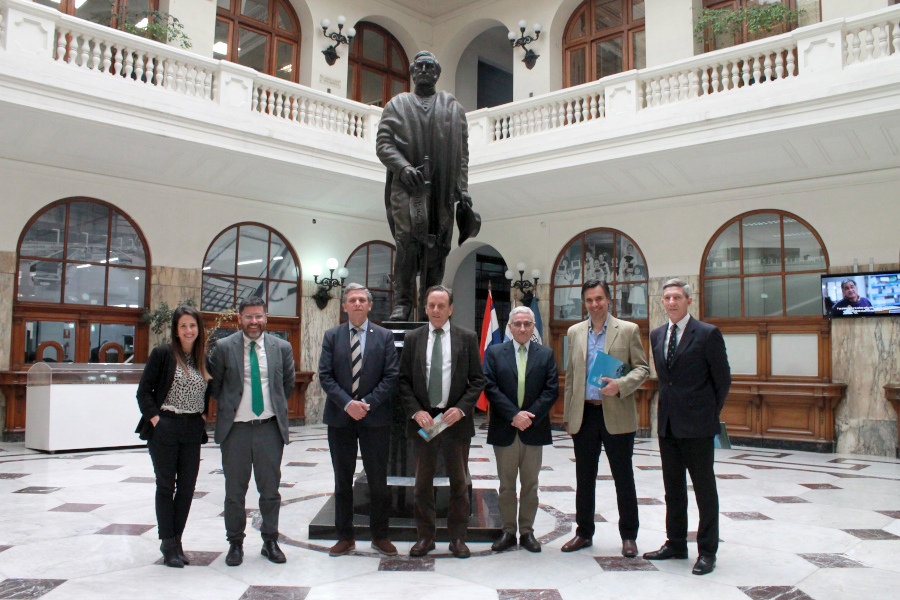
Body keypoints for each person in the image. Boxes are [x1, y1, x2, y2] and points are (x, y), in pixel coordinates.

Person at [376, 52, 474, 321]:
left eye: (429, 66)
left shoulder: (452, 107)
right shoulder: (397, 105)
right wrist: (404, 168)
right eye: (418, 66)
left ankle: (430, 305)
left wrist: (462, 189)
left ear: (437, 73)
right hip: (408, 188)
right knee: (406, 241)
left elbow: (462, 154)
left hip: (442, 189)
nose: (423, 70)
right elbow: (383, 145)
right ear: (411, 71)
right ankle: (403, 304)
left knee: (438, 246)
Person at [644, 279, 731, 576]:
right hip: (667, 425)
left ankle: (707, 551)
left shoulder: (707, 334)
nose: (671, 302)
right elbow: (665, 380)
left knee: (704, 490)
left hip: (698, 426)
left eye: (677, 297)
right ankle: (676, 543)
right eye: (667, 297)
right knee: (673, 489)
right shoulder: (657, 334)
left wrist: (707, 413)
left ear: (688, 301)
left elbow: (723, 380)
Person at [561, 280, 650, 557]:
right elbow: (572, 377)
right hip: (584, 414)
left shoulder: (627, 330)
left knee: (623, 476)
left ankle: (628, 536)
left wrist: (620, 385)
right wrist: (568, 415)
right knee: (584, 477)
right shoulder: (574, 332)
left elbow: (643, 369)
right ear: (584, 303)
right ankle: (583, 533)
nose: (594, 304)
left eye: (599, 298)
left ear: (608, 300)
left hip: (616, 413)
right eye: (589, 300)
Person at [209, 296, 296, 567]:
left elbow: (286, 385)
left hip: (269, 430)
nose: (254, 321)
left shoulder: (281, 347)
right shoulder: (223, 347)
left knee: (270, 491)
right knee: (234, 492)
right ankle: (235, 543)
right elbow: (216, 387)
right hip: (236, 431)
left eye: (259, 316)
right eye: (249, 316)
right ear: (240, 319)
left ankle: (270, 541)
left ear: (266, 317)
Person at [398, 285, 484, 558]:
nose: (435, 310)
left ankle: (458, 538)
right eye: (431, 305)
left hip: (454, 422)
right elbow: (403, 381)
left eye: (441, 305)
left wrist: (460, 409)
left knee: (459, 482)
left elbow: (477, 380)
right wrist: (415, 411)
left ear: (450, 308)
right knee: (422, 484)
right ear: (425, 308)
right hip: (425, 423)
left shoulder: (467, 338)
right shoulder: (413, 338)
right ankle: (425, 537)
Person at [318, 283, 400, 557]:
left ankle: (380, 536)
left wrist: (366, 404)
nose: (356, 304)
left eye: (362, 300)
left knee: (378, 480)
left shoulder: (384, 336)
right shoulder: (332, 335)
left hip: (374, 418)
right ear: (344, 306)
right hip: (340, 419)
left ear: (369, 305)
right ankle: (345, 537)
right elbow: (325, 376)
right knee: (342, 480)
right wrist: (347, 404)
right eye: (352, 300)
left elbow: (391, 376)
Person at [136, 305, 211, 568]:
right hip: (166, 426)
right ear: (176, 330)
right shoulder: (163, 354)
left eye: (193, 325)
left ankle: (177, 540)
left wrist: (203, 418)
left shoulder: (203, 357)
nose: (189, 330)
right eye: (183, 326)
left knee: (188, 488)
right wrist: (157, 420)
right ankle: (167, 542)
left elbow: (209, 391)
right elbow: (143, 391)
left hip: (192, 428)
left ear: (199, 328)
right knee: (166, 486)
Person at [483, 306, 558, 553]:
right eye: (518, 324)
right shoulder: (494, 353)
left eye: (527, 324)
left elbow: (551, 390)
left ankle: (526, 532)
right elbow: (490, 387)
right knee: (506, 486)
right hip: (505, 428)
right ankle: (507, 531)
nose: (522, 328)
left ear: (533, 326)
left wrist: (529, 417)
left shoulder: (546, 354)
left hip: (533, 430)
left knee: (530, 485)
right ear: (510, 327)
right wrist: (514, 415)